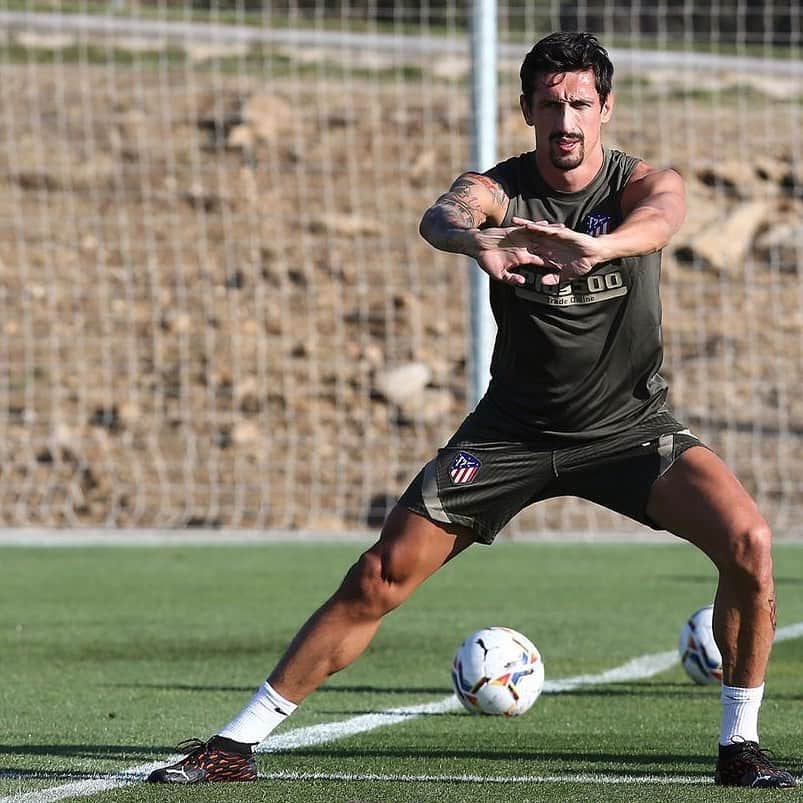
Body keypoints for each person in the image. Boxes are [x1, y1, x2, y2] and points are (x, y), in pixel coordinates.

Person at [147, 32, 796, 789]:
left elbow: (664, 217)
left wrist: (601, 248)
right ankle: (235, 743)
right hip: (511, 432)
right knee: (377, 575)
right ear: (525, 110)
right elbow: (443, 213)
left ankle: (738, 746)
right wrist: (479, 241)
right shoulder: (498, 189)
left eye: (580, 104)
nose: (566, 121)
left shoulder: (636, 185)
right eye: (549, 104)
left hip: (629, 430)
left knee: (748, 541)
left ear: (606, 108)